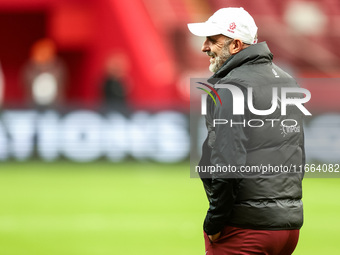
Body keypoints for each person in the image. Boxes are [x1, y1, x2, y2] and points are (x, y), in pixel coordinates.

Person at [188, 7, 305, 255]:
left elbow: (227, 162)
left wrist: (214, 222)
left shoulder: (231, 87)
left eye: (213, 40)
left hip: (244, 230)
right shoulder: (287, 80)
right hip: (288, 229)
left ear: (236, 45)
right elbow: (297, 157)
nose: (204, 47)